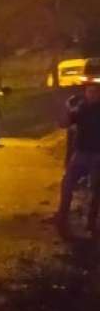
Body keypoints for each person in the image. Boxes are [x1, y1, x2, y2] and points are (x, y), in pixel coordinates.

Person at [56, 81, 100, 236]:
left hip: (97, 155)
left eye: (95, 91)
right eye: (89, 91)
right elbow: (64, 124)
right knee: (67, 183)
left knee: (96, 190)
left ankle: (91, 222)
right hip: (81, 153)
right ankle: (61, 217)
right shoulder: (82, 108)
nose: (92, 94)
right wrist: (67, 108)